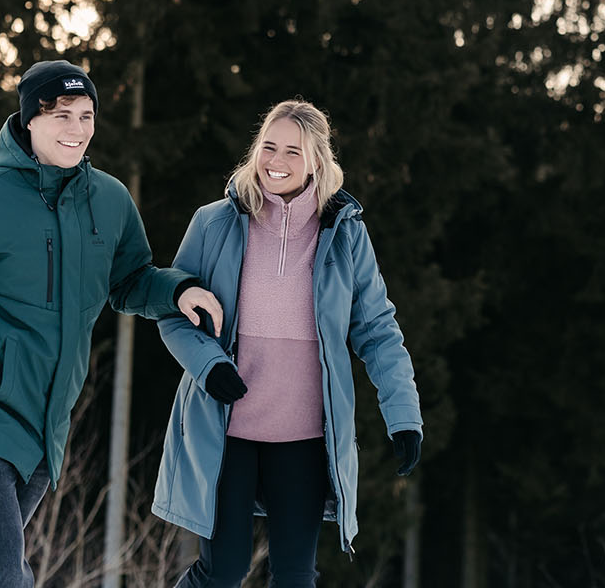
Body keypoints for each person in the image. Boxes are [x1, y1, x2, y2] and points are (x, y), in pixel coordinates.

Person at [0, 58, 224, 588]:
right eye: (62, 115)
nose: (76, 129)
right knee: (1, 574)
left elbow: (130, 280)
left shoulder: (109, 200)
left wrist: (178, 290)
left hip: (45, 426)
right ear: (29, 120)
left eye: (86, 116)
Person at [152, 99, 422, 587]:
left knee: (296, 576)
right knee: (223, 571)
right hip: (225, 430)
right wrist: (210, 365)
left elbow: (378, 330)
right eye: (268, 147)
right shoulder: (213, 223)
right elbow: (176, 312)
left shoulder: (345, 235)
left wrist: (403, 414)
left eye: (292, 152)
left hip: (303, 437)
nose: (275, 161)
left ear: (317, 161)